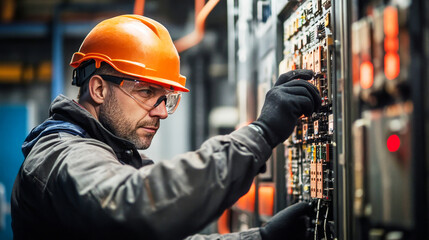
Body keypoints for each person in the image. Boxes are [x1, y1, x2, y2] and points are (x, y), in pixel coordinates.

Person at [11, 15, 321, 240]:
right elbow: (135, 206)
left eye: (166, 98)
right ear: (99, 89)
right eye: (147, 93)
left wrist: (262, 238)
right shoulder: (61, 155)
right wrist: (261, 134)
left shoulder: (116, 156)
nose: (162, 112)